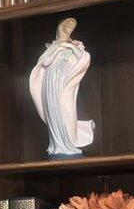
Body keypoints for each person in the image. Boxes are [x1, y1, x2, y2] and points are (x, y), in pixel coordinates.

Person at [28, 17, 94, 157]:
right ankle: (57, 146)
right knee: (54, 112)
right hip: (51, 84)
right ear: (61, 27)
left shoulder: (75, 45)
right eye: (67, 26)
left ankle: (69, 144)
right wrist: (55, 51)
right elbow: (44, 63)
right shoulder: (52, 47)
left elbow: (84, 57)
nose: (69, 29)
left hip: (65, 85)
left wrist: (70, 46)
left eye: (72, 27)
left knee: (68, 111)